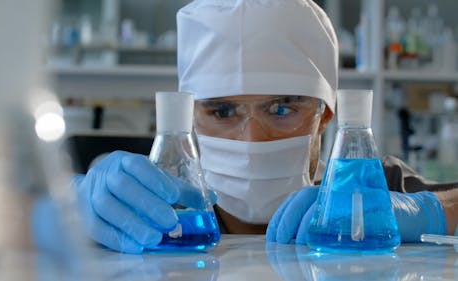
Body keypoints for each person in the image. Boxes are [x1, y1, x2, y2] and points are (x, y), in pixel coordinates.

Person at [74, 0, 458, 254]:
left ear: (325, 115)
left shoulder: (371, 188)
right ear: (190, 116)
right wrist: (66, 207)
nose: (252, 138)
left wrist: (423, 210)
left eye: (281, 108)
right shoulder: (150, 203)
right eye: (223, 112)